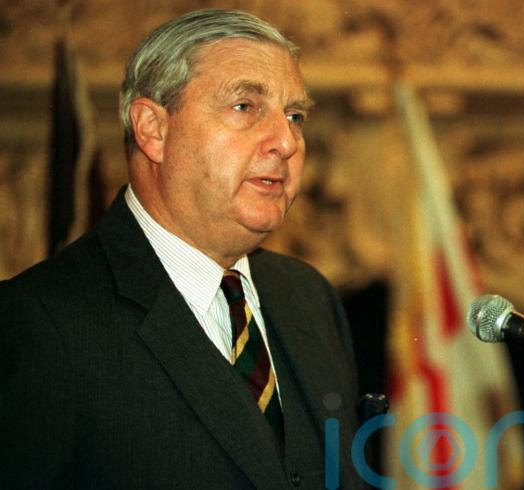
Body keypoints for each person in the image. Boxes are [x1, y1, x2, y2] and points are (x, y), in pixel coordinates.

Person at [0, 9, 364, 489]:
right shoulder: (39, 323)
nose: (286, 141)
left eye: (295, 116)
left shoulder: (309, 296)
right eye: (245, 107)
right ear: (153, 129)